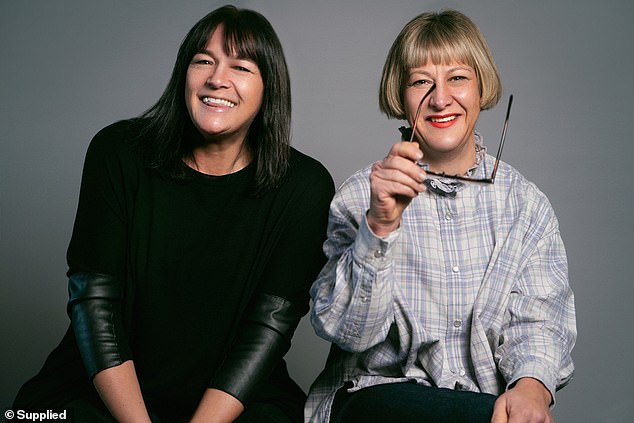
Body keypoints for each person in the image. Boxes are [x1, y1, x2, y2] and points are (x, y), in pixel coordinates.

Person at [13, 5, 334, 422]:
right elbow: (95, 305)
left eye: (241, 67)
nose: (217, 78)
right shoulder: (118, 152)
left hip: (234, 401)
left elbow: (268, 329)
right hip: (102, 393)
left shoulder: (305, 187)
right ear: (185, 72)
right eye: (203, 61)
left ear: (268, 87)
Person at [305, 9, 575, 423]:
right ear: (401, 96)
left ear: (481, 87)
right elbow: (348, 333)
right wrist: (379, 227)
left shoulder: (525, 203)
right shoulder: (361, 195)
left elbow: (539, 323)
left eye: (458, 78)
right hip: (373, 400)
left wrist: (531, 388)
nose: (440, 98)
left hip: (481, 405)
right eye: (421, 82)